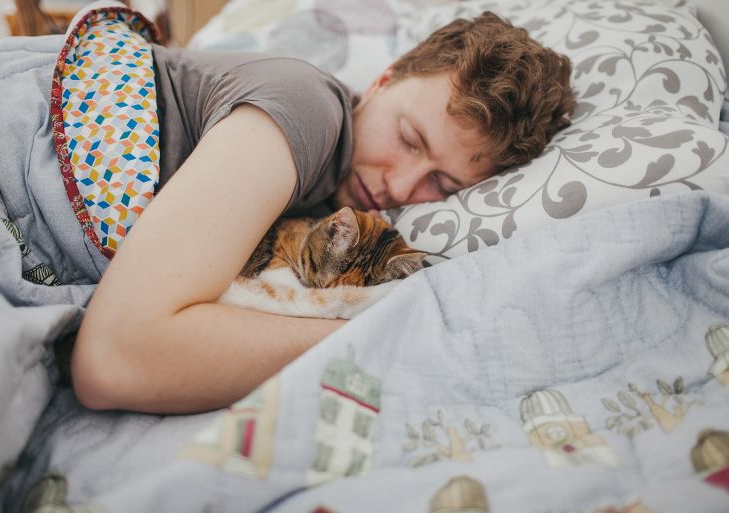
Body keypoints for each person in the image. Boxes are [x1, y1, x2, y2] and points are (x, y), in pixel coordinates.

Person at [71, 11, 576, 414]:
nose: (399, 186)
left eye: (442, 184)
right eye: (407, 138)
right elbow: (115, 358)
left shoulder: (331, 208)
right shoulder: (308, 107)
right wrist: (380, 340)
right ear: (383, 80)